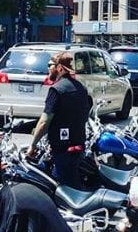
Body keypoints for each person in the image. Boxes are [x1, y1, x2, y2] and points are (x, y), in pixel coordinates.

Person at [26, 52, 91, 189]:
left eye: (50, 65)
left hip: (62, 150)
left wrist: (33, 145)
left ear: (60, 68)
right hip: (79, 146)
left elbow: (44, 122)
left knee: (59, 189)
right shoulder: (81, 88)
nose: (48, 68)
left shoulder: (56, 90)